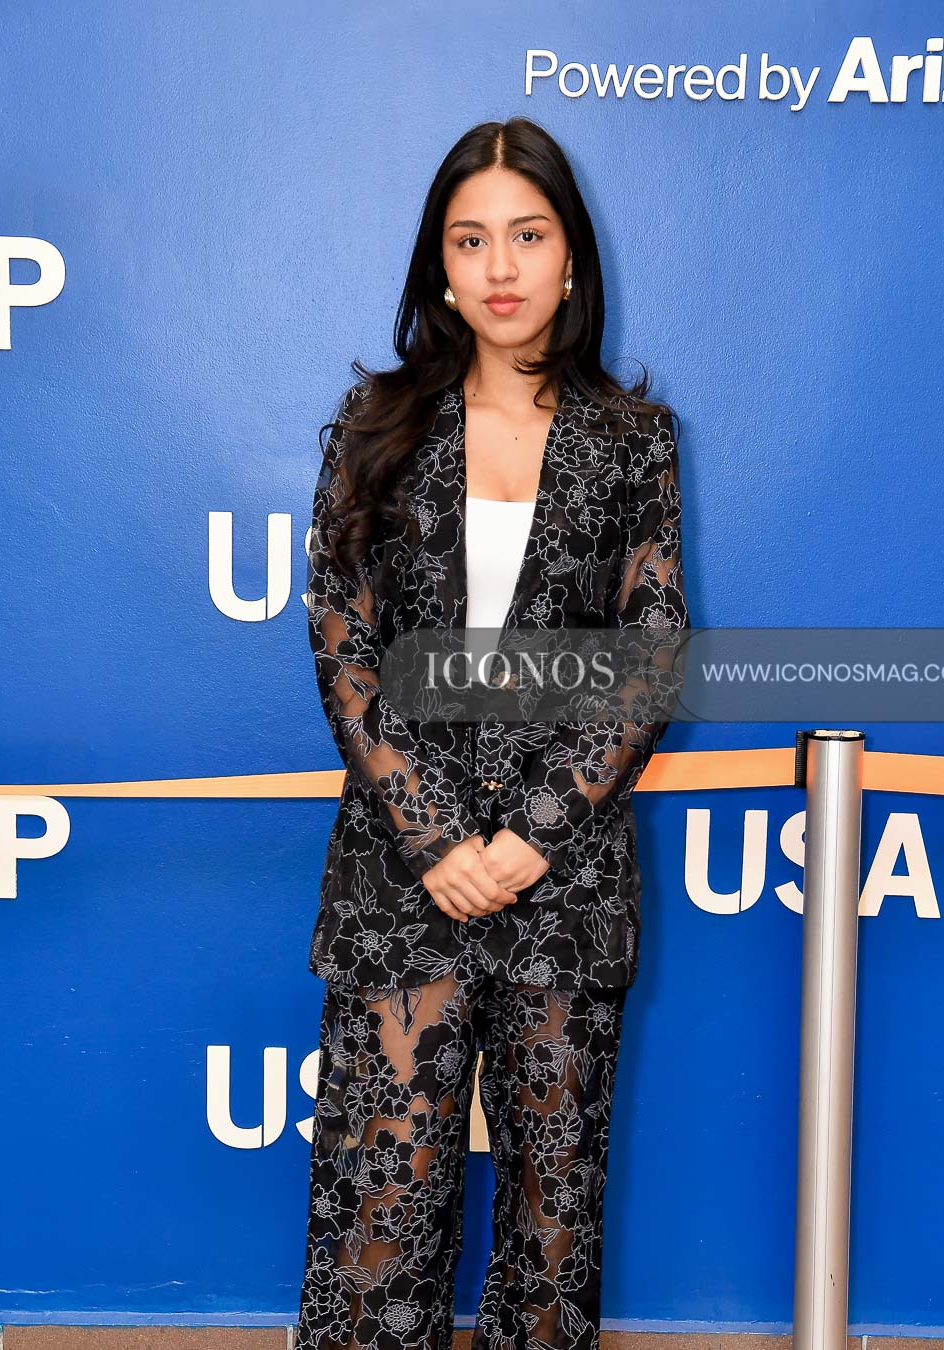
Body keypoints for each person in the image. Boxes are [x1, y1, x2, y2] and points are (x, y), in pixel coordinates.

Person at [296, 116, 690, 1350]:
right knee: (379, 1224)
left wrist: (532, 835)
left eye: (528, 235)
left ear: (571, 259)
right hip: (401, 882)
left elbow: (651, 649)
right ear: (441, 266)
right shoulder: (374, 424)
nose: (501, 267)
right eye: (471, 241)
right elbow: (343, 640)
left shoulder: (633, 442)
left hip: (562, 882)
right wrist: (434, 838)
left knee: (550, 1235)